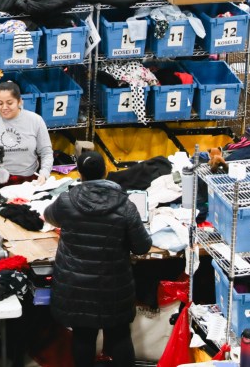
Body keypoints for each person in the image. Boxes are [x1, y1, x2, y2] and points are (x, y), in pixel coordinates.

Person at [45, 151, 152, 367]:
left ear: (80, 173)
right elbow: (142, 247)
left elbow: (49, 217)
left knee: (83, 336)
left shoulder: (67, 200)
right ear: (105, 172)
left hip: (76, 287)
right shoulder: (125, 205)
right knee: (120, 334)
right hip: (113, 287)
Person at [0, 81, 53, 188]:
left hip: (28, 182)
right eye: (0, 103)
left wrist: (44, 174)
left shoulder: (35, 120)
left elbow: (46, 152)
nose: (4, 107)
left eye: (9, 103)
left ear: (20, 102)